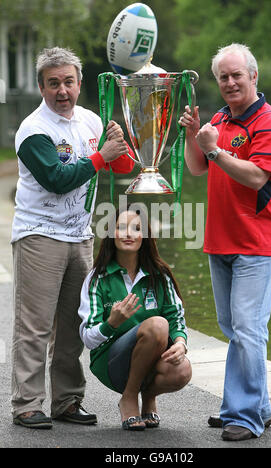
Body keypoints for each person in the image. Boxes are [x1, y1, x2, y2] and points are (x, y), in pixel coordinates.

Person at [11, 47, 135, 429]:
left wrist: (120, 141)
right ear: (41, 87)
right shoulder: (33, 130)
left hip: (80, 235)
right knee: (35, 326)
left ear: (79, 84)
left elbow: (125, 167)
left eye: (68, 82)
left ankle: (67, 401)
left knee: (72, 325)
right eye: (53, 83)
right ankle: (26, 404)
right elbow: (58, 179)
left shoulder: (91, 121)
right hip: (39, 235)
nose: (61, 90)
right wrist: (101, 157)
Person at [179, 43, 271, 441]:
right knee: (233, 327)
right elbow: (197, 168)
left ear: (253, 76)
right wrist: (196, 137)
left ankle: (243, 417)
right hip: (220, 240)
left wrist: (215, 149)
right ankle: (256, 406)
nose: (229, 82)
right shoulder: (220, 120)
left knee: (247, 328)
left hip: (258, 244)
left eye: (236, 75)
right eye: (222, 77)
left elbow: (258, 177)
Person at [78, 206, 192, 430]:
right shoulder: (97, 278)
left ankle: (148, 397)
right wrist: (112, 323)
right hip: (111, 364)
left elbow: (176, 318)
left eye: (136, 228)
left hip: (150, 361)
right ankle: (129, 397)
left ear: (145, 237)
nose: (128, 233)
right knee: (157, 325)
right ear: (111, 234)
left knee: (183, 370)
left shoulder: (160, 276)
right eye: (121, 227)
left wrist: (180, 343)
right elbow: (88, 340)